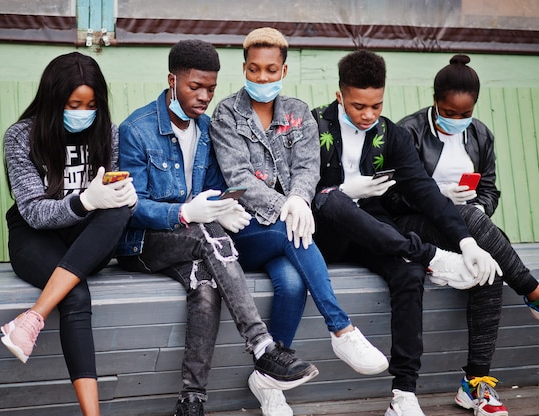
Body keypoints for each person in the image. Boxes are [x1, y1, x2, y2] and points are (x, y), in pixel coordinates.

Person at [115, 39, 318, 416]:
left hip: (194, 243)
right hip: (144, 245)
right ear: (172, 81)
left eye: (211, 87)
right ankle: (262, 345)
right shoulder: (136, 130)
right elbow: (133, 208)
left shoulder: (209, 129)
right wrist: (185, 213)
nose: (205, 96)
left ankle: (192, 400)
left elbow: (215, 189)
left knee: (205, 284)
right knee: (209, 233)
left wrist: (223, 205)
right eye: (195, 86)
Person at [309, 50, 502, 416]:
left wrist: (466, 241)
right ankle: (430, 255)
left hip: (375, 235)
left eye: (376, 105)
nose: (368, 115)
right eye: (358, 106)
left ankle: (403, 394)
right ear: (340, 96)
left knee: (408, 272)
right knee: (332, 200)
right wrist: (347, 191)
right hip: (327, 233)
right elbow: (303, 189)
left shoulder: (392, 134)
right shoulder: (313, 124)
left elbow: (425, 192)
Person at [210, 28, 390, 416]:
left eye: (270, 70)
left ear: (284, 69)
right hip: (246, 229)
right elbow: (238, 177)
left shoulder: (298, 112)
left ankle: (269, 380)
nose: (262, 78)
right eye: (254, 69)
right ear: (244, 68)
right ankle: (341, 329)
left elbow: (308, 168)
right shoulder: (226, 113)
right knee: (290, 233)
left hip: (288, 228)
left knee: (292, 284)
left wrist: (298, 198)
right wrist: (287, 204)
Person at [393, 54, 539, 416]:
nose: (456, 120)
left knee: (488, 268)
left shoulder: (481, 135)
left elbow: (490, 191)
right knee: (464, 220)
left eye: (464, 113)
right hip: (414, 224)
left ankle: (475, 383)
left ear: (474, 106)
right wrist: (440, 198)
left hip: (466, 231)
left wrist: (478, 207)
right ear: (435, 100)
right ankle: (533, 291)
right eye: (448, 112)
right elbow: (391, 195)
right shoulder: (408, 131)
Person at [1, 52, 137, 416]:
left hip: (85, 239)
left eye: (91, 104)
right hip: (35, 237)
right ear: (53, 98)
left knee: (120, 209)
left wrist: (126, 198)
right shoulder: (21, 137)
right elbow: (33, 211)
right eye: (74, 103)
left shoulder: (107, 133)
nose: (84, 111)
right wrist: (84, 201)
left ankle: (29, 320)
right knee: (74, 295)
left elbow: (113, 201)